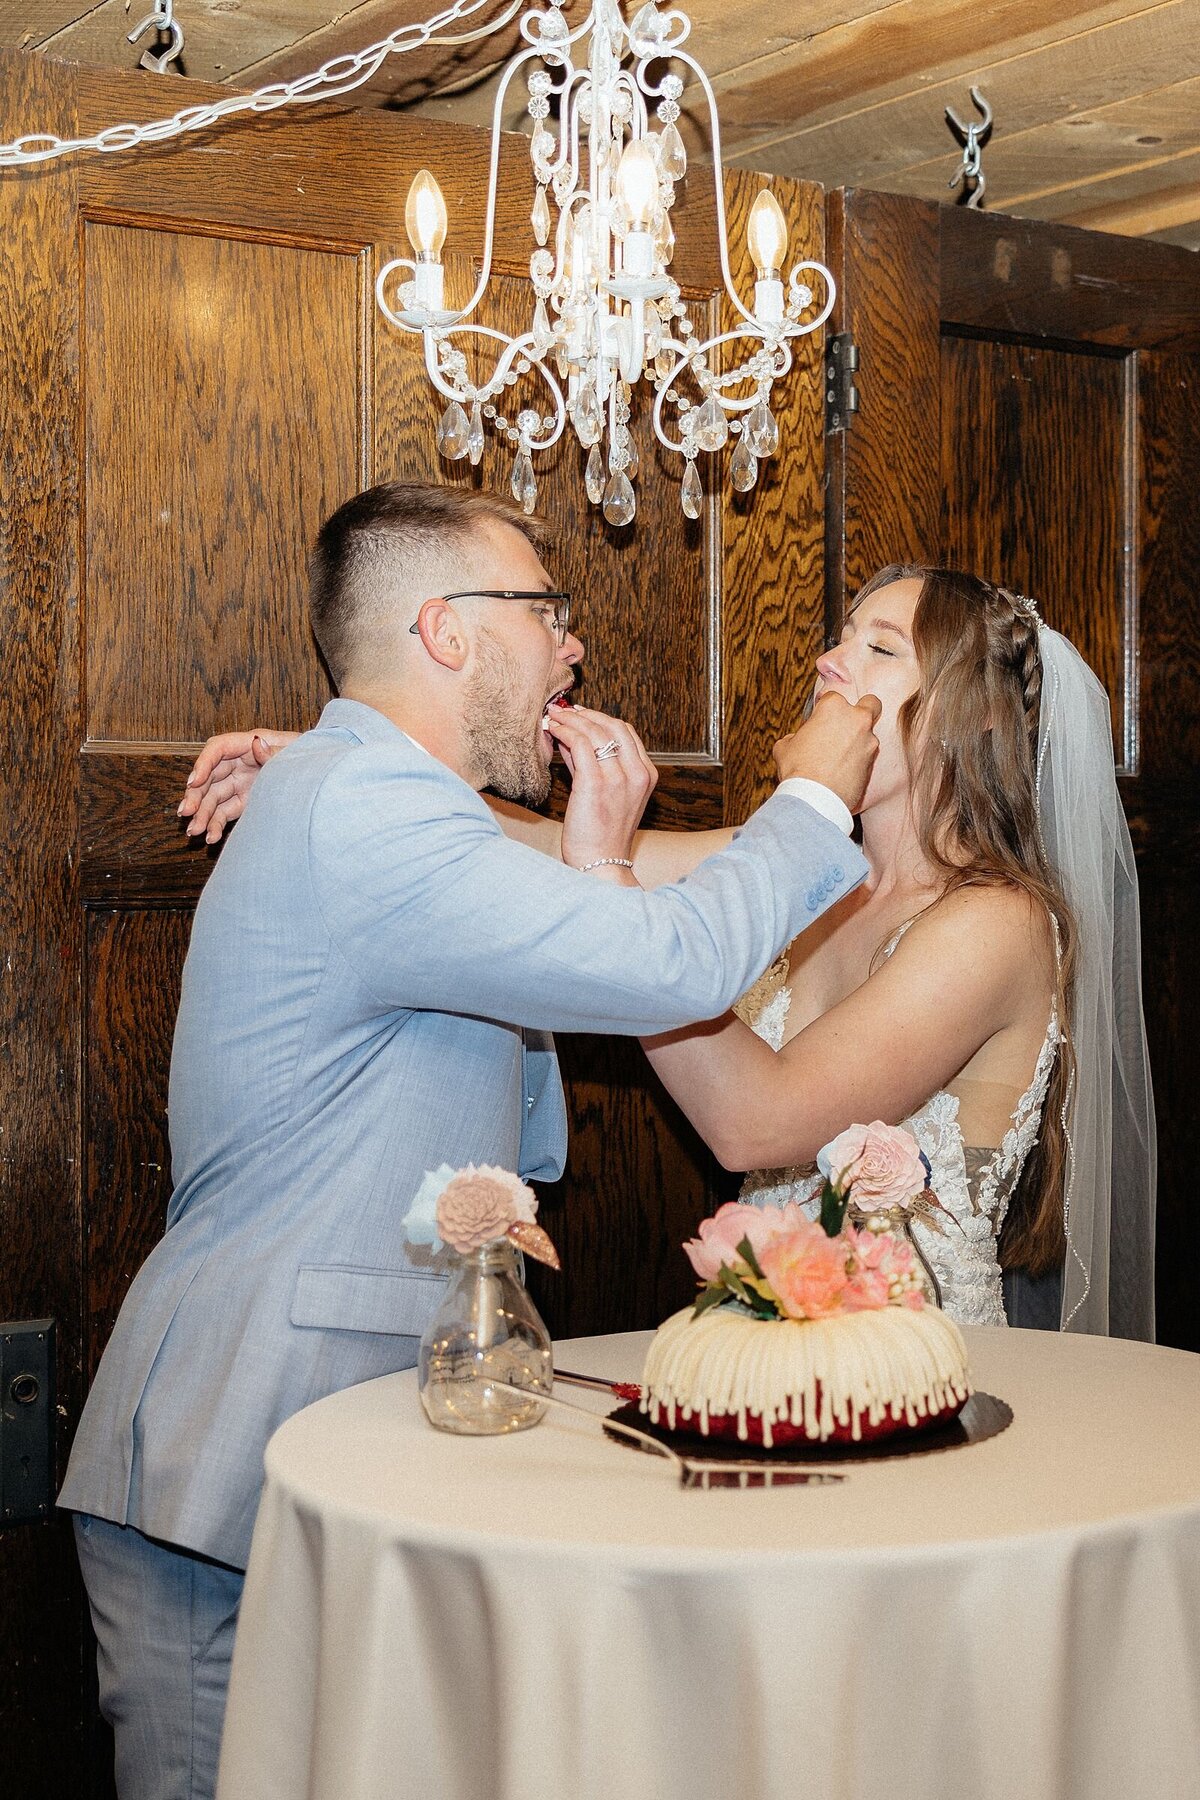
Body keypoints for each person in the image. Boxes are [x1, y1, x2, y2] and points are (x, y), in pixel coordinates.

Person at [59, 480, 880, 1800]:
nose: (573, 647)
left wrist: (601, 852)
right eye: (547, 611)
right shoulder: (368, 812)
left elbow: (585, 933)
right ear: (444, 631)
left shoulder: (367, 798)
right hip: (241, 1452)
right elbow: (673, 964)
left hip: (320, 1445)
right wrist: (818, 796)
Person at [193, 566, 1156, 1338]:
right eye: (840, 633)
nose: (829, 661)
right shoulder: (803, 872)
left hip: (909, 1357)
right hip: (765, 1339)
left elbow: (756, 1122)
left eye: (879, 646)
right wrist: (357, 762)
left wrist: (608, 871)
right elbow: (534, 842)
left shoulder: (996, 922)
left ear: (973, 713)